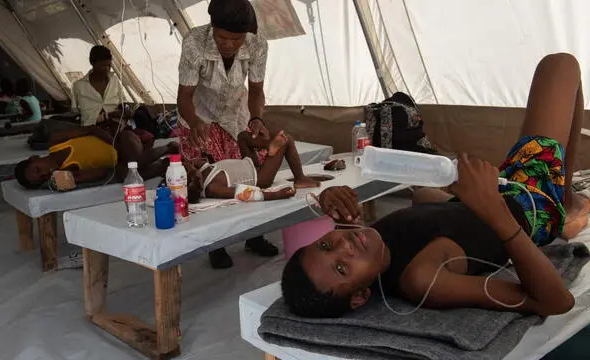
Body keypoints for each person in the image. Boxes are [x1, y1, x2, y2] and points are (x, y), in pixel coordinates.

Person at [281, 53, 590, 319]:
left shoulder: (368, 248)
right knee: (559, 66)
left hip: (477, 202)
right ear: (361, 296)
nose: (344, 247)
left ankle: (565, 197)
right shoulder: (422, 280)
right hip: (528, 206)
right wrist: (492, 208)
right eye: (340, 269)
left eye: (325, 244)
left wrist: (337, 204)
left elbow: (348, 243)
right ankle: (562, 204)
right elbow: (555, 302)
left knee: (423, 196)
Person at [176, 0, 275, 268]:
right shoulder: (194, 42)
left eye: (237, 38)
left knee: (250, 174)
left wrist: (256, 118)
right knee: (211, 183)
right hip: (199, 117)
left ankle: (254, 235)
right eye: (222, 37)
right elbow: (184, 97)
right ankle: (215, 243)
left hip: (236, 115)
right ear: (212, 27)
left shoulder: (257, 45)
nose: (229, 44)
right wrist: (195, 122)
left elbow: (255, 90)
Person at [14, 125, 178, 190]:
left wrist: (113, 143)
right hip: (120, 160)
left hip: (122, 140)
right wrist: (73, 179)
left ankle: (167, 148)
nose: (44, 173)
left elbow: (91, 129)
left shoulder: (56, 142)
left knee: (133, 163)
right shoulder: (65, 172)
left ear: (35, 157)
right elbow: (102, 172)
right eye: (41, 178)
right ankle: (164, 164)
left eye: (38, 169)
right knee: (127, 174)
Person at [182, 130, 320, 203]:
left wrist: (189, 167)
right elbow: (245, 194)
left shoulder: (197, 168)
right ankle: (299, 178)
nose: (194, 172)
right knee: (287, 140)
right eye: (195, 178)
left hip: (248, 163)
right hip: (259, 178)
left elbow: (188, 162)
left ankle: (269, 147)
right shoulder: (213, 188)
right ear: (197, 185)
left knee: (242, 136)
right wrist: (276, 195)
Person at [72, 45, 155, 151]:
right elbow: (75, 110)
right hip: (92, 129)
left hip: (116, 125)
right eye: (103, 66)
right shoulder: (79, 85)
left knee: (147, 137)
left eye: (109, 65)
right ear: (92, 63)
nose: (106, 69)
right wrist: (106, 116)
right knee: (120, 145)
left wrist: (125, 110)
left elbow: (123, 102)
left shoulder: (114, 80)